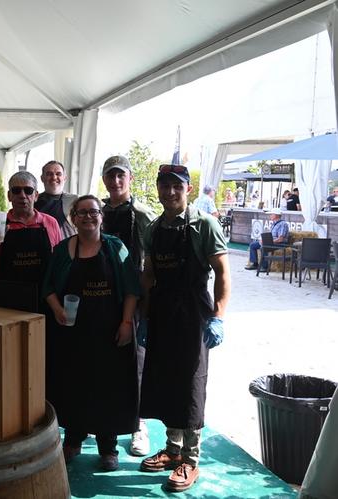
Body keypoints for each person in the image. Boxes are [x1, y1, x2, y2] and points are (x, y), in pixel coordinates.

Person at [139, 164, 230, 492]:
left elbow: (222, 273)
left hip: (193, 313)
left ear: (187, 189)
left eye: (177, 186)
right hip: (162, 311)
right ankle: (173, 449)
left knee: (191, 382)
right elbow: (149, 274)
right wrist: (144, 316)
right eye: (164, 186)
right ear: (159, 189)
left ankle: (190, 460)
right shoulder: (153, 229)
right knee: (167, 379)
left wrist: (218, 316)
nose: (170, 192)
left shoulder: (204, 225)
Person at [43, 195, 140, 471]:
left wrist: (126, 323)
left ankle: (108, 446)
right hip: (73, 333)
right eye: (82, 212)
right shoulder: (63, 250)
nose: (88, 216)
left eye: (93, 211)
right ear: (73, 218)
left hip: (110, 331)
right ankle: (73, 439)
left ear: (101, 216)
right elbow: (47, 287)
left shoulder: (115, 247)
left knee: (109, 387)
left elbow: (132, 289)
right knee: (75, 385)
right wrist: (57, 309)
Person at [101, 154, 157, 457]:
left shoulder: (142, 213)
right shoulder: (96, 210)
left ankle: (138, 424)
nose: (116, 181)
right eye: (111, 175)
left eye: (120, 175)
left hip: (133, 296)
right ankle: (102, 419)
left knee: (136, 362)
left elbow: (153, 256)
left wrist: (147, 297)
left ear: (130, 178)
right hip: (99, 295)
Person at [0, 172, 61, 299]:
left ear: (36, 195)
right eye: (16, 190)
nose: (22, 195)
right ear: (9, 196)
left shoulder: (50, 222)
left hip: (45, 297)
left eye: (28, 190)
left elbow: (58, 261)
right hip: (8, 296)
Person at [34, 160, 78, 239]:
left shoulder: (76, 201)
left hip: (66, 246)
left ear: (65, 178)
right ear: (42, 178)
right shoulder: (33, 200)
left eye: (58, 174)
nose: (54, 177)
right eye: (49, 174)